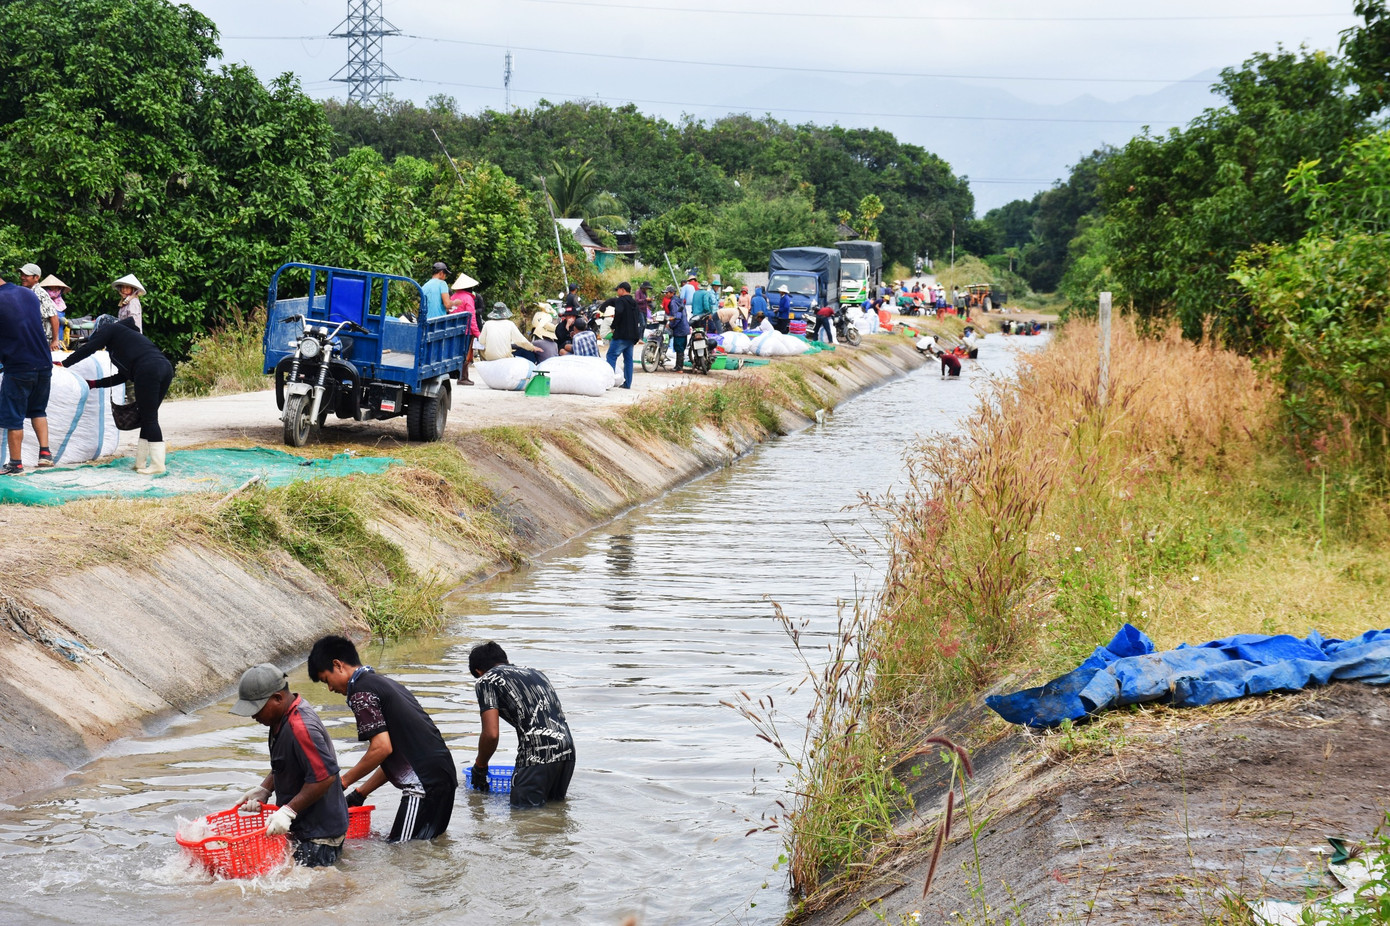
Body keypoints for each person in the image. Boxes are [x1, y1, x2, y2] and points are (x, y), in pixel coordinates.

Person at [307, 636, 458, 842]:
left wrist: (341, 783)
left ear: (338, 665)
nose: (330, 688)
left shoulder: (360, 693)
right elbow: (395, 756)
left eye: (326, 680)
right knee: (427, 847)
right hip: (443, 777)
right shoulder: (385, 684)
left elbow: (381, 749)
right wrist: (359, 794)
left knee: (400, 852)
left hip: (422, 786)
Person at [231, 663, 349, 867]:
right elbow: (289, 761)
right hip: (305, 828)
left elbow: (325, 776)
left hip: (319, 836)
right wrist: (265, 788)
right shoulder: (279, 718)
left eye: (256, 708)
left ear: (277, 698)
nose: (253, 716)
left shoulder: (301, 727)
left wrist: (288, 811)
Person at [61, 315, 173, 474]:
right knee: (147, 417)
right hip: (165, 368)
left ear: (102, 329)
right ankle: (141, 462)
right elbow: (123, 376)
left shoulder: (112, 329)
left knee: (149, 418)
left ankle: (157, 465)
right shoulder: (127, 340)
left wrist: (64, 364)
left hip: (148, 370)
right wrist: (95, 383)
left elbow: (89, 348)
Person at [469, 642, 575, 808]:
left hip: (536, 755)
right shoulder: (537, 674)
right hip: (567, 752)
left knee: (524, 821)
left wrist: (480, 766)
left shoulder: (486, 680)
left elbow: (491, 734)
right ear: (505, 660)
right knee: (555, 816)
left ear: (478, 671)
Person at [0, 276, 53, 475]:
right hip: (44, 363)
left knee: (14, 416)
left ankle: (15, 464)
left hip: (19, 366)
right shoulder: (28, 294)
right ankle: (45, 454)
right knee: (38, 409)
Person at [600, 281, 642, 389]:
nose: (617, 292)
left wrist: (613, 326)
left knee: (611, 356)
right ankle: (627, 384)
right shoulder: (634, 303)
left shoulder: (621, 301)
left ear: (622, 290)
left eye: (618, 290)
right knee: (628, 360)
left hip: (621, 335)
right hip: (633, 336)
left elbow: (618, 312)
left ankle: (608, 383)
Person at [19, 264, 60, 351]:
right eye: (22, 274)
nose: (22, 277)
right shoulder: (26, 292)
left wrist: (55, 340)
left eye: (26, 275)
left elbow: (53, 316)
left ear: (36, 278)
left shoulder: (40, 294)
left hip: (41, 341)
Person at [448, 273, 479, 386]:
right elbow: (472, 317)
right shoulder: (468, 298)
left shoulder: (453, 297)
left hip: (454, 330)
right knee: (466, 354)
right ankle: (463, 377)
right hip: (466, 331)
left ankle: (460, 375)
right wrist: (477, 333)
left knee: (456, 352)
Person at [38, 274, 69, 345]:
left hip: (59, 318)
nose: (54, 289)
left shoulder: (59, 296)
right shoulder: (44, 295)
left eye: (56, 288)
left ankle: (59, 342)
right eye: (51, 287)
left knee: (60, 329)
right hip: (49, 319)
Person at [666, 290, 690, 372]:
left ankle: (679, 367)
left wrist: (670, 325)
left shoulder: (673, 302)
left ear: (672, 293)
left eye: (667, 292)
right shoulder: (679, 301)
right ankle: (678, 366)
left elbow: (677, 317)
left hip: (679, 328)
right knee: (681, 348)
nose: (666, 294)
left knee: (678, 347)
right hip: (685, 327)